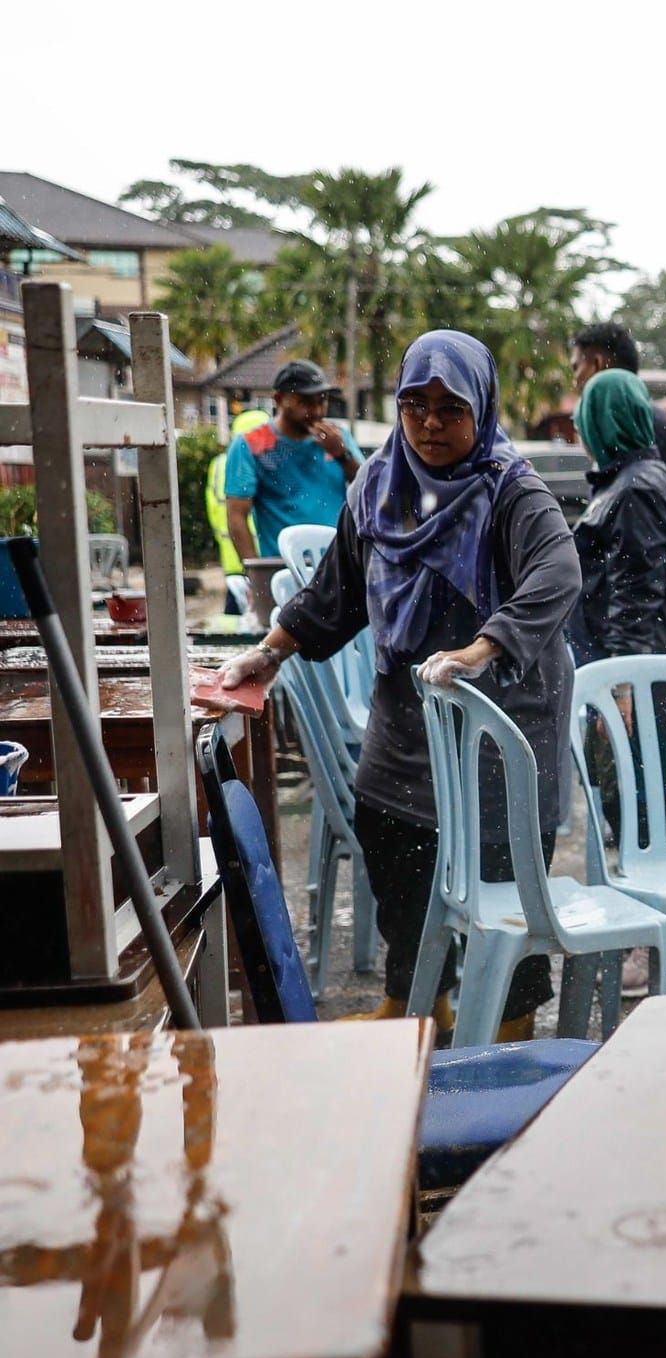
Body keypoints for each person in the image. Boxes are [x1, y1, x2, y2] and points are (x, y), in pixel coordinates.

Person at [217, 330, 581, 1042]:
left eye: (451, 408)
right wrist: (271, 650)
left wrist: (481, 648)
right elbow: (338, 592)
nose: (431, 424)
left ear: (482, 407)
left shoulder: (510, 489)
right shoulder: (378, 484)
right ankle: (417, 1004)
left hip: (499, 718)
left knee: (504, 877)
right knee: (394, 848)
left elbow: (558, 575)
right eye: (415, 406)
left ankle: (512, 1025)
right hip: (407, 714)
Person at [568, 368, 666, 663]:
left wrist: (623, 684)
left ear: (600, 422)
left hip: (640, 679)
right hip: (641, 666)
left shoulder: (634, 490)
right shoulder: (632, 477)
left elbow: (635, 591)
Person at [223, 360, 362, 561]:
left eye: (322, 400)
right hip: (285, 571)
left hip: (339, 568)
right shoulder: (251, 444)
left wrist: (341, 455)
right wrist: (256, 577)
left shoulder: (338, 437)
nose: (316, 411)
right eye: (304, 402)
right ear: (278, 399)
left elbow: (370, 488)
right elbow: (236, 515)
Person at [571, 321, 666, 508]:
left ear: (597, 364)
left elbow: (651, 517)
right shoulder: (643, 418)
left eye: (575, 367)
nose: (574, 380)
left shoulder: (645, 421)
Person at [206, 408, 269, 611]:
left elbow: (215, 512)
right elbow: (243, 515)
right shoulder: (256, 463)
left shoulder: (217, 464)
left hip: (231, 559)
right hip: (257, 559)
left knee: (235, 622)